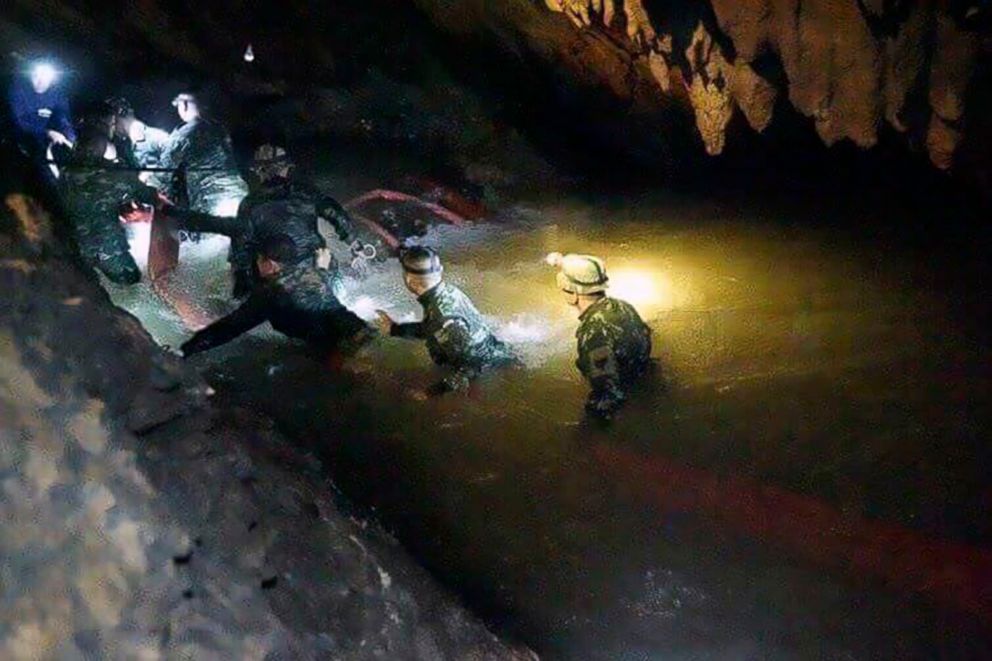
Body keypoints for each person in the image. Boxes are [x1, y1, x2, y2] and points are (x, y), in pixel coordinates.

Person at [161, 144, 366, 299]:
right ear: (286, 169)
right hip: (319, 272)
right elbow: (337, 215)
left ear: (259, 172)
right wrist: (356, 246)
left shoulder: (250, 204)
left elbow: (240, 249)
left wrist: (239, 292)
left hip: (277, 281)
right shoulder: (308, 194)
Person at [180, 233, 372, 357]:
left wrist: (186, 350)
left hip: (338, 352)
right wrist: (323, 265)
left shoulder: (272, 294)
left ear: (269, 264)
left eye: (258, 260)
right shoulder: (309, 272)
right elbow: (321, 280)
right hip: (363, 333)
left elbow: (228, 328)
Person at [375, 246, 519, 396]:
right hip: (496, 354)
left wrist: (430, 393)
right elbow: (432, 328)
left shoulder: (442, 316)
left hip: (490, 372)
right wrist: (395, 329)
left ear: (410, 280)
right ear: (440, 270)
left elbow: (471, 367)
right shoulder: (448, 292)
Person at [548, 252, 652, 419]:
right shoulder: (622, 306)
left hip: (630, 392)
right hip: (643, 374)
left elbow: (608, 392)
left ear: (573, 294)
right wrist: (560, 261)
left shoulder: (594, 333)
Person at [59, 126, 151, 285]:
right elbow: (145, 195)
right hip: (108, 248)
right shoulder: (111, 173)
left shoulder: (65, 172)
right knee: (132, 283)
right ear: (101, 148)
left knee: (89, 286)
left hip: (74, 247)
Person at [144, 92, 248, 218]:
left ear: (185, 105)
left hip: (212, 203)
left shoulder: (184, 134)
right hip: (241, 198)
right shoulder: (218, 128)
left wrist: (144, 183)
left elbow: (163, 173)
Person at [8, 59, 76, 157]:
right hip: (21, 140)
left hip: (45, 140)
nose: (40, 82)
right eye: (36, 76)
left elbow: (63, 119)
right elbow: (19, 122)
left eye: (45, 78)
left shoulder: (58, 94)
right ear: (30, 76)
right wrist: (48, 132)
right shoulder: (17, 91)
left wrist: (71, 139)